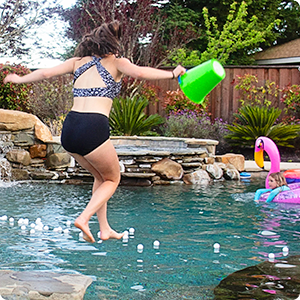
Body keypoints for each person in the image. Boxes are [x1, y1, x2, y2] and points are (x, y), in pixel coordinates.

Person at [3, 21, 186, 243]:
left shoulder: (77, 62)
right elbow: (141, 72)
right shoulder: (117, 63)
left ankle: (105, 228)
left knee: (100, 177)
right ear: (113, 44)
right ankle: (84, 217)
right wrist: (172, 74)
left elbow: (44, 73)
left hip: (70, 128)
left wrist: (20, 79)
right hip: (93, 126)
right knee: (113, 178)